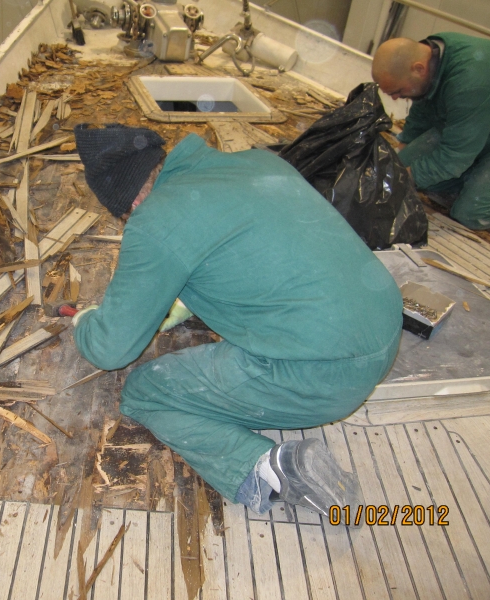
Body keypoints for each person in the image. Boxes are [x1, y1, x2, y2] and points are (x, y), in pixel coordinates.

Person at [70, 124, 402, 517]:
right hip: (383, 327)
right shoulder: (257, 161)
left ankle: (268, 470)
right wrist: (184, 297)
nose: (129, 222)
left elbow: (110, 349)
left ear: (133, 201)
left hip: (325, 375)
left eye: (125, 216)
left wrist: (86, 323)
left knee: (146, 392)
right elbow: (254, 249)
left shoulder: (155, 219)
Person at [372, 33, 490, 230]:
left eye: (398, 91)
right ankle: (476, 179)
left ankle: (480, 188)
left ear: (419, 69)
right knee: (399, 167)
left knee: (471, 213)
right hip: (480, 122)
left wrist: (406, 177)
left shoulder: (469, 82)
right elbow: (423, 104)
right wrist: (404, 149)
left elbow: (455, 156)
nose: (396, 98)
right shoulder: (430, 58)